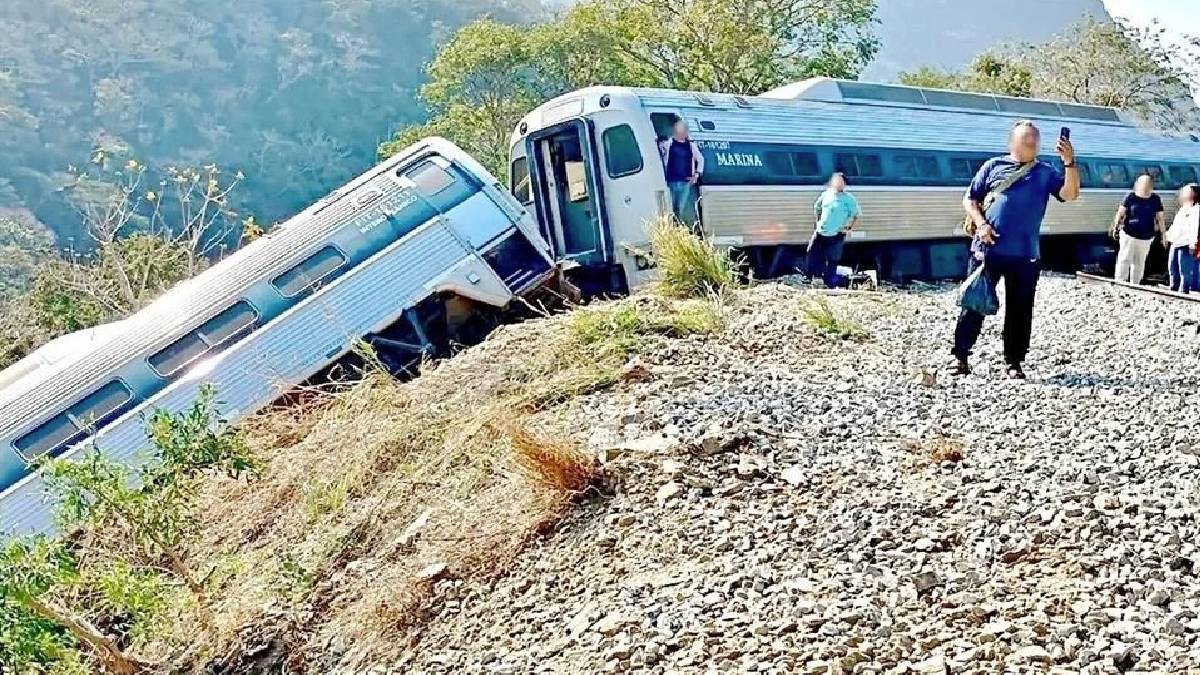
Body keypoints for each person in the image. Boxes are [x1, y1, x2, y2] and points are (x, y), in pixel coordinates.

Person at [951, 120, 1081, 379]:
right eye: (1026, 141)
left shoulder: (1045, 172)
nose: (1032, 145)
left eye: (1035, 142)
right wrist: (981, 224)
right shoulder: (993, 166)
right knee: (973, 302)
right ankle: (960, 357)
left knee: (1020, 309)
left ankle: (1014, 361)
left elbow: (1070, 194)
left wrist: (1069, 163)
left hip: (1025, 253)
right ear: (1012, 143)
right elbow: (970, 198)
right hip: (987, 250)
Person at [807, 172, 861, 286]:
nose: (838, 183)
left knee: (832, 259)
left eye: (841, 181)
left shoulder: (849, 199)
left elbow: (856, 215)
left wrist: (848, 228)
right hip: (820, 232)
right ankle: (812, 277)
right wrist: (818, 222)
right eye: (836, 180)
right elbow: (817, 207)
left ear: (845, 184)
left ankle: (829, 282)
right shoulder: (826, 194)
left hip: (836, 234)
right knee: (812, 253)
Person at [1111, 174, 1165, 284]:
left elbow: (1160, 218)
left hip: (1146, 236)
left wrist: (1163, 234)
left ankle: (1135, 284)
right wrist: (1115, 226)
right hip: (1128, 234)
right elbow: (1120, 213)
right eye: (1143, 183)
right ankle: (1120, 282)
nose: (1145, 186)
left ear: (1151, 186)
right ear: (1137, 184)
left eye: (1147, 184)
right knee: (1124, 258)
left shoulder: (1155, 199)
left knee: (1140, 262)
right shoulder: (1130, 197)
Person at [658, 119, 704, 229]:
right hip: (671, 182)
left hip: (685, 183)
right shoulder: (668, 144)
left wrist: (697, 174)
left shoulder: (691, 146)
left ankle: (678, 231)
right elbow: (661, 150)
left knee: (680, 209)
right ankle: (673, 231)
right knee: (671, 209)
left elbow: (701, 159)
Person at [1165, 183, 1200, 293]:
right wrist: (1168, 235)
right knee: (1172, 265)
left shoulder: (1196, 209)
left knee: (1184, 268)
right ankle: (1173, 286)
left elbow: (1195, 227)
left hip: (1186, 243)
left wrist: (1193, 243)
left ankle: (1184, 289)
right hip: (1175, 241)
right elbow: (1175, 225)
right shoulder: (1182, 209)